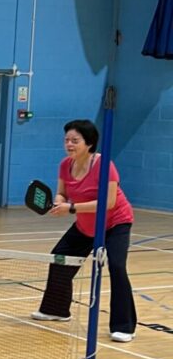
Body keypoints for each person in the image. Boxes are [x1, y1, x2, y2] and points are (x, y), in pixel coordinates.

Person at [32, 119, 137, 342]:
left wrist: (71, 208)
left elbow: (107, 203)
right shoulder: (65, 165)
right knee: (59, 259)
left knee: (117, 266)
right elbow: (61, 192)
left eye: (75, 140)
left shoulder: (104, 165)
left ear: (89, 143)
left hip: (114, 223)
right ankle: (56, 310)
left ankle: (124, 326)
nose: (69, 144)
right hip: (85, 224)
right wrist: (59, 202)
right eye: (66, 140)